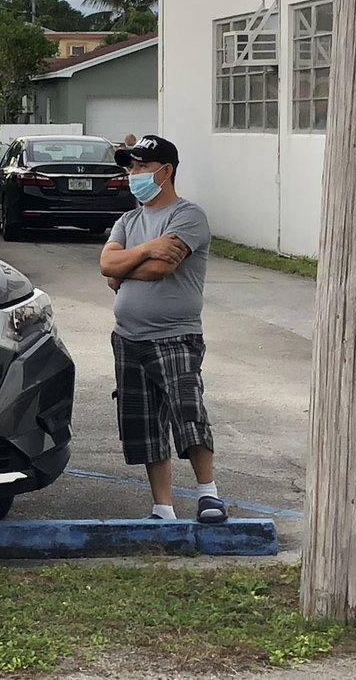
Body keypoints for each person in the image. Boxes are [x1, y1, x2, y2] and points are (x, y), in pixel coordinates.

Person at [98, 134, 226, 523]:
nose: (133, 173)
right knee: (144, 422)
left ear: (165, 171)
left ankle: (209, 494)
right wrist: (145, 250)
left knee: (187, 410)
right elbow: (106, 264)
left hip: (175, 334)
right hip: (128, 336)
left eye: (140, 166)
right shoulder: (128, 219)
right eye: (130, 166)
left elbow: (162, 268)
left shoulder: (188, 216)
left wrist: (126, 268)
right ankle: (162, 507)